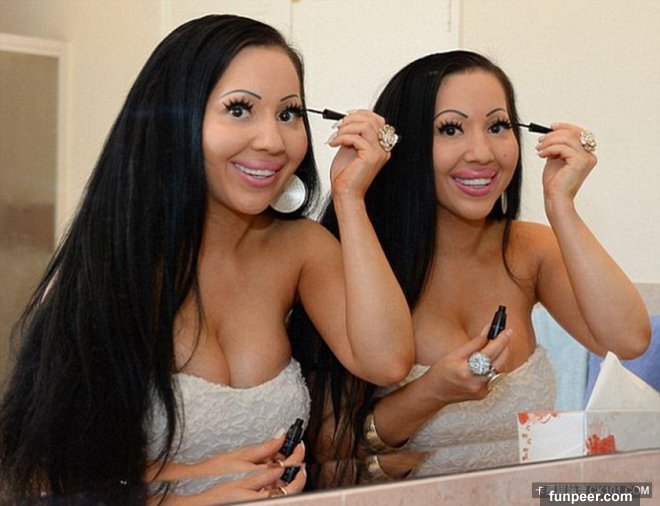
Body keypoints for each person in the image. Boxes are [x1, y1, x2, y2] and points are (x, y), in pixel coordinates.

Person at [0, 14, 414, 504]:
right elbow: (42, 478)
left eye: (288, 113)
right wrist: (192, 491)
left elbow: (387, 361)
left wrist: (350, 197)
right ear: (175, 119)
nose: (272, 140)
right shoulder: (114, 266)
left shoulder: (299, 249)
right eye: (239, 109)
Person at [289, 50, 651, 486]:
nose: (482, 153)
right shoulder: (361, 258)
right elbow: (329, 451)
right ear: (400, 143)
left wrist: (561, 204)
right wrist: (432, 391)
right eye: (450, 129)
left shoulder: (528, 250)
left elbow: (629, 339)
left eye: (498, 126)